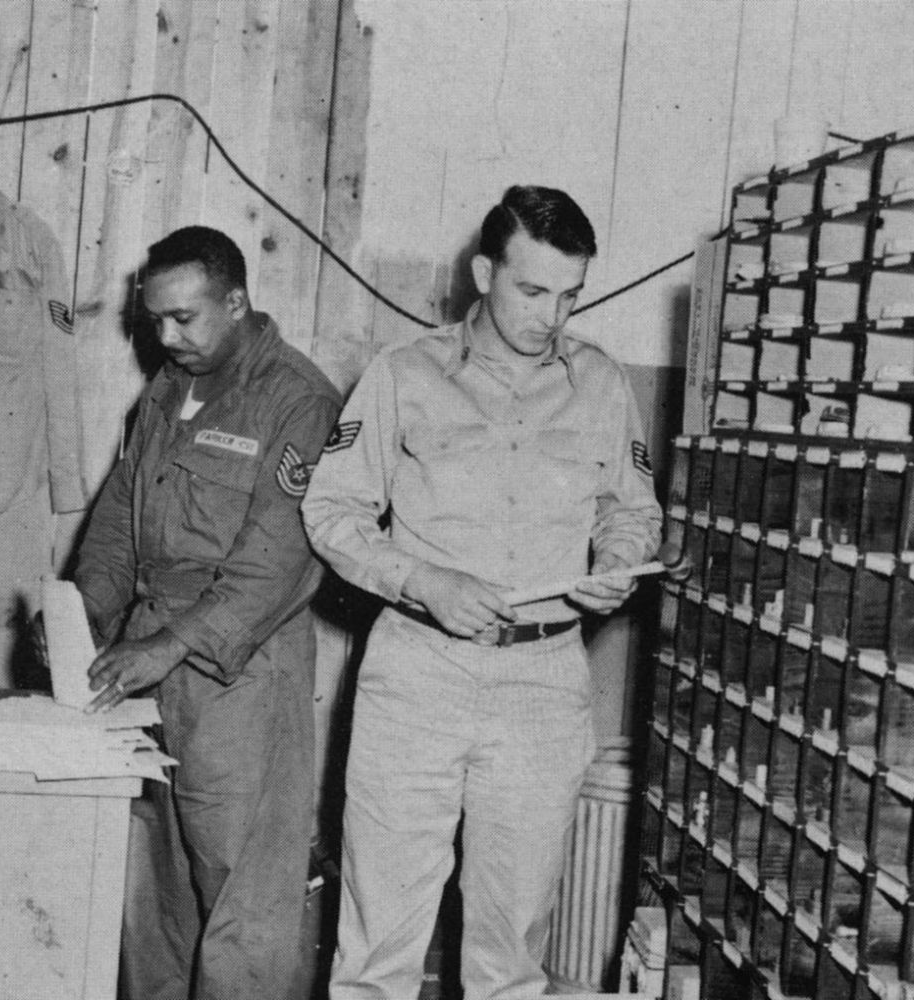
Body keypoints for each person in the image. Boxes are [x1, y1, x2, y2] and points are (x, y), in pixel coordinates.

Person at [302, 185, 664, 999]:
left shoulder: (602, 384)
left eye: (569, 296)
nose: (550, 317)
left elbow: (633, 510)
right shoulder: (404, 373)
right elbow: (331, 510)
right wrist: (422, 580)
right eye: (531, 291)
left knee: (512, 953)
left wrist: (618, 558)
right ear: (482, 273)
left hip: (543, 682)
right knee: (377, 949)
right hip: (418, 672)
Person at [72, 225, 341, 1000]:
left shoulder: (298, 400)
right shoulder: (166, 389)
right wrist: (87, 611)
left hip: (240, 678)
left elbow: (278, 562)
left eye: (184, 318)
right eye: (154, 319)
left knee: (243, 905)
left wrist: (169, 643)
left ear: (237, 302)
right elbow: (118, 517)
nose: (165, 337)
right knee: (153, 894)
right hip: (147, 663)